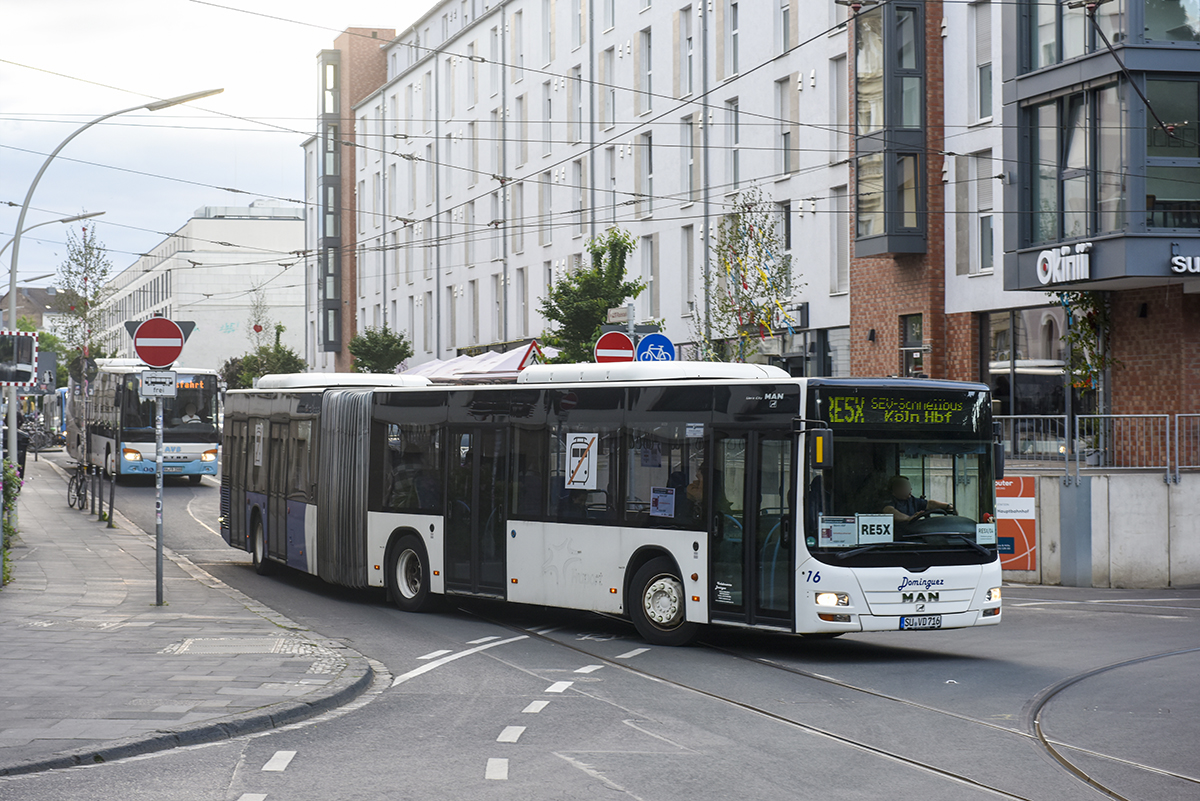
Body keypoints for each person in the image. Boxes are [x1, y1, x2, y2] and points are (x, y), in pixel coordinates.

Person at [883, 475, 954, 523]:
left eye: (909, 487)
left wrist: (948, 506)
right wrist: (908, 519)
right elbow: (889, 511)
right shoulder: (888, 500)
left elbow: (929, 504)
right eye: (905, 487)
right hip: (898, 538)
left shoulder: (912, 500)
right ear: (895, 489)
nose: (910, 489)